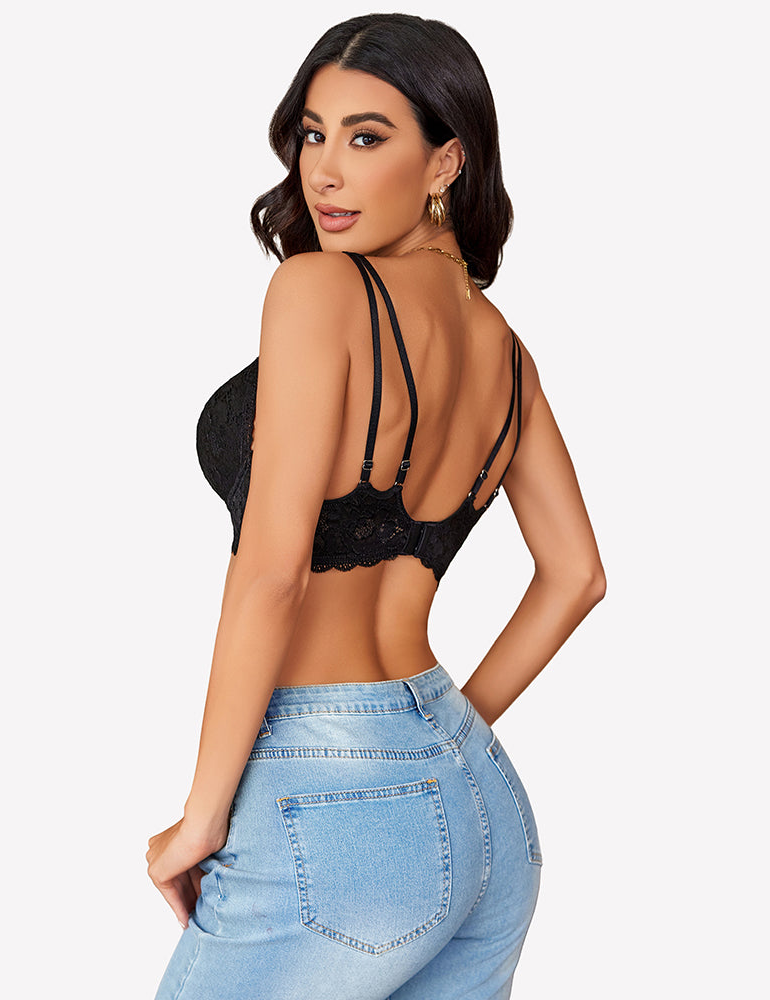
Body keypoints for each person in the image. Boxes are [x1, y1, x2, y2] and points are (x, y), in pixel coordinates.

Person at [146, 12, 605, 999]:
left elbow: (271, 578)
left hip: (327, 801)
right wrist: (438, 746)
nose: (323, 172)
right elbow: (575, 576)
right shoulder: (506, 353)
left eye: (365, 138)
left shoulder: (318, 290)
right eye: (312, 135)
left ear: (446, 161)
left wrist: (202, 816)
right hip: (481, 803)